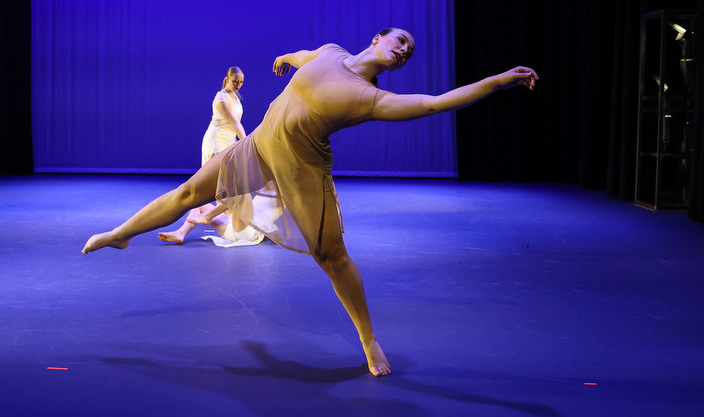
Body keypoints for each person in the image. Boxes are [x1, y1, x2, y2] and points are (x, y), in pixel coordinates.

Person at [83, 28, 538, 377]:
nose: (403, 50)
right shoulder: (332, 51)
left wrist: (497, 81)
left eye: (409, 53)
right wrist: (285, 57)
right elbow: (308, 59)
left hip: (302, 168)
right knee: (187, 193)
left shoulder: (371, 98)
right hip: (259, 145)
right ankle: (120, 235)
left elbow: (437, 103)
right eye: (400, 41)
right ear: (377, 38)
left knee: (332, 257)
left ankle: (368, 340)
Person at [157, 66, 256, 245]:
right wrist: (247, 143)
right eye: (235, 81)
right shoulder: (221, 98)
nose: (238, 85)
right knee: (213, 190)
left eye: (241, 82)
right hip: (216, 143)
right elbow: (234, 123)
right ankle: (187, 228)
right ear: (227, 79)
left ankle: (183, 231)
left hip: (229, 144)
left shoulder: (235, 97)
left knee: (217, 193)